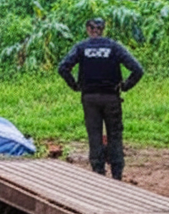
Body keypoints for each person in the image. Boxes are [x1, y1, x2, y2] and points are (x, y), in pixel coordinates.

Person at [58, 18, 144, 180]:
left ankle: (98, 173)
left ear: (88, 29)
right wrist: (125, 86)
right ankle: (117, 174)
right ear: (103, 29)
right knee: (115, 135)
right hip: (112, 97)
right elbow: (137, 70)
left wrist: (75, 85)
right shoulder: (113, 47)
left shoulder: (81, 47)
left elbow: (63, 68)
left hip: (89, 98)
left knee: (94, 135)